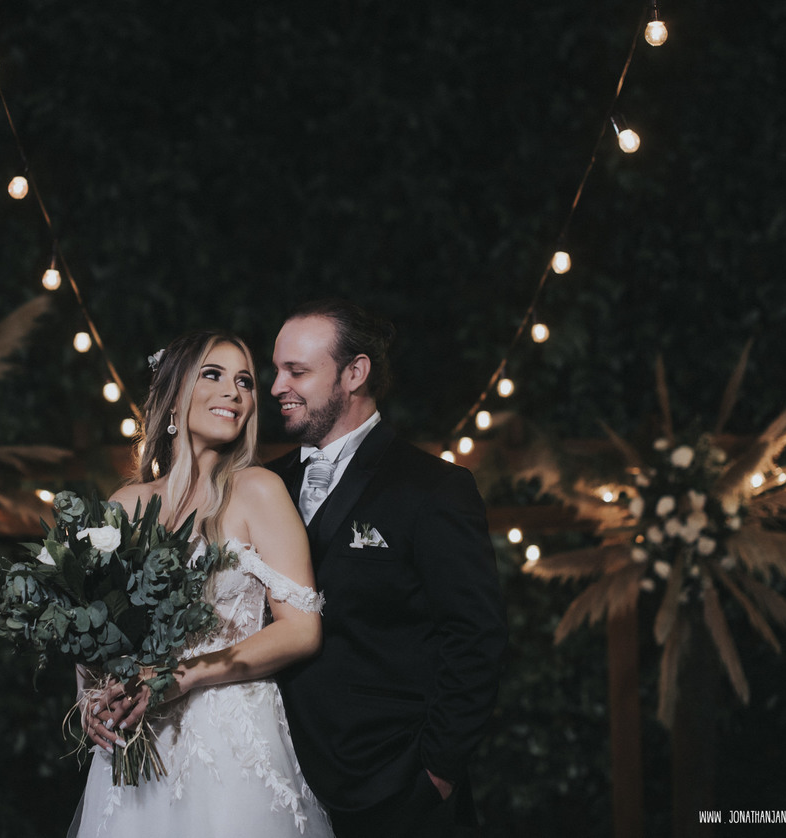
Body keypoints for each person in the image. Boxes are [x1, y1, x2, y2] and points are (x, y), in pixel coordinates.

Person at [69, 330, 334, 838]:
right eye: (213, 375)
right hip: (136, 742)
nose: (234, 392)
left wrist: (179, 677)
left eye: (244, 382)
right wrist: (92, 700)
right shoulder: (125, 504)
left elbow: (302, 630)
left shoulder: (258, 491)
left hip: (231, 741)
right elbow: (92, 627)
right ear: (174, 398)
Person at [268, 300, 507, 838]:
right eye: (277, 368)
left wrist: (436, 773)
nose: (276, 385)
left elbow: (476, 638)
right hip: (271, 775)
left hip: (391, 784)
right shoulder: (263, 485)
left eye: (297, 371)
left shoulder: (433, 489)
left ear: (355, 373)